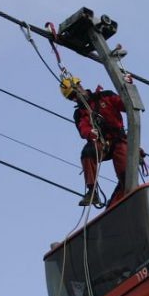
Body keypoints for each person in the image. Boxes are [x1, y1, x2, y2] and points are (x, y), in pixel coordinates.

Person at [60, 77, 128, 207]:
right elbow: (83, 129)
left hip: (119, 140)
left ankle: (117, 203)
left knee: (126, 175)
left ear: (80, 86)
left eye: (74, 94)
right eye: (71, 97)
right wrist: (91, 133)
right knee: (88, 152)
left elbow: (124, 104)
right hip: (102, 143)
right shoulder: (80, 113)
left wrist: (128, 88)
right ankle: (92, 192)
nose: (75, 98)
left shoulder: (104, 96)